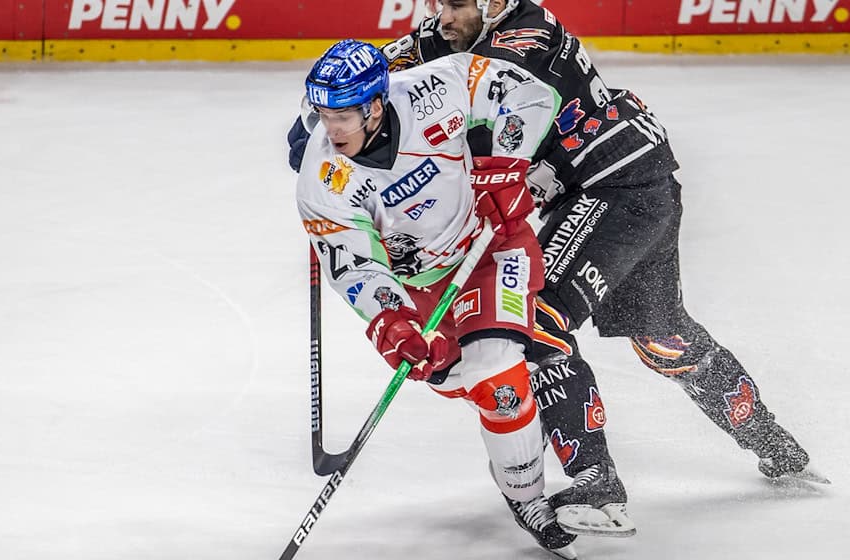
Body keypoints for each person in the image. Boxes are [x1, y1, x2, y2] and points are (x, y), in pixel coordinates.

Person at [289, 0, 828, 539]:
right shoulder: (459, 32)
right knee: (661, 337)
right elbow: (385, 68)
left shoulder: (525, 38)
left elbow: (493, 96)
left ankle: (597, 485)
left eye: (453, 4)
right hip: (633, 179)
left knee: (537, 323)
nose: (440, 17)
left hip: (608, 182)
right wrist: (315, 123)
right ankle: (774, 443)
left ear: (494, 5)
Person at [296, 38, 582, 558]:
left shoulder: (437, 85)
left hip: (490, 243)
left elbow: (531, 95)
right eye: (322, 114)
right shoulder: (323, 182)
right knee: (460, 378)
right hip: (416, 284)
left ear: (376, 105)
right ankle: (514, 410)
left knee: (496, 372)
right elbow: (353, 264)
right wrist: (391, 319)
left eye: (343, 115)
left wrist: (507, 163)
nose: (331, 129)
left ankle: (527, 496)